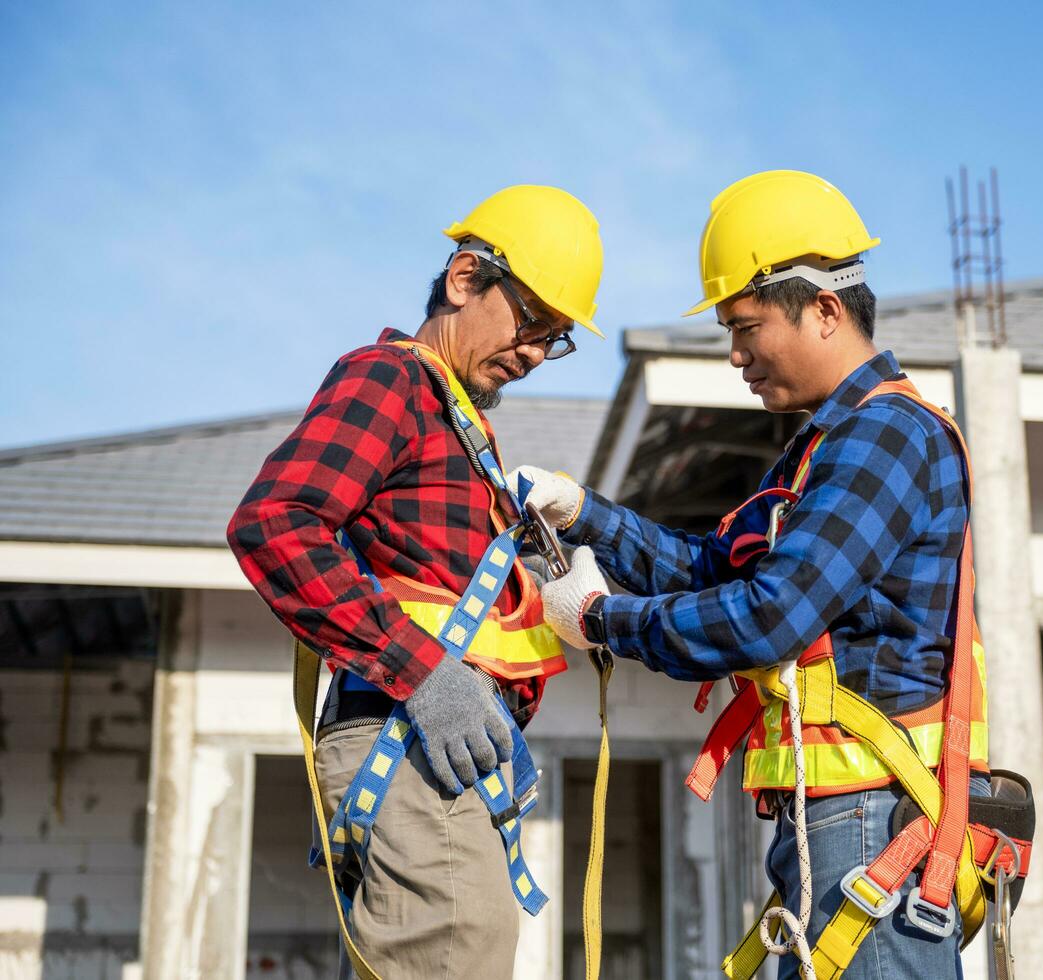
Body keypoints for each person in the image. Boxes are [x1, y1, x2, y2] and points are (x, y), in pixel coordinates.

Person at [520, 170, 993, 980]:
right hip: (837, 826)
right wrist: (584, 515)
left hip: (869, 825)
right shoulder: (823, 448)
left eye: (745, 327)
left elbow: (767, 616)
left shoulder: (884, 437)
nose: (735, 354)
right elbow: (715, 568)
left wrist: (603, 621)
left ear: (824, 309)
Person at [227, 184, 604, 979]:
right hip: (407, 733)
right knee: (453, 953)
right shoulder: (389, 380)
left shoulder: (458, 424)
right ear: (465, 278)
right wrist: (425, 675)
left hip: (437, 747)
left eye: (557, 339)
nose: (536, 351)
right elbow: (275, 521)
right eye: (532, 321)